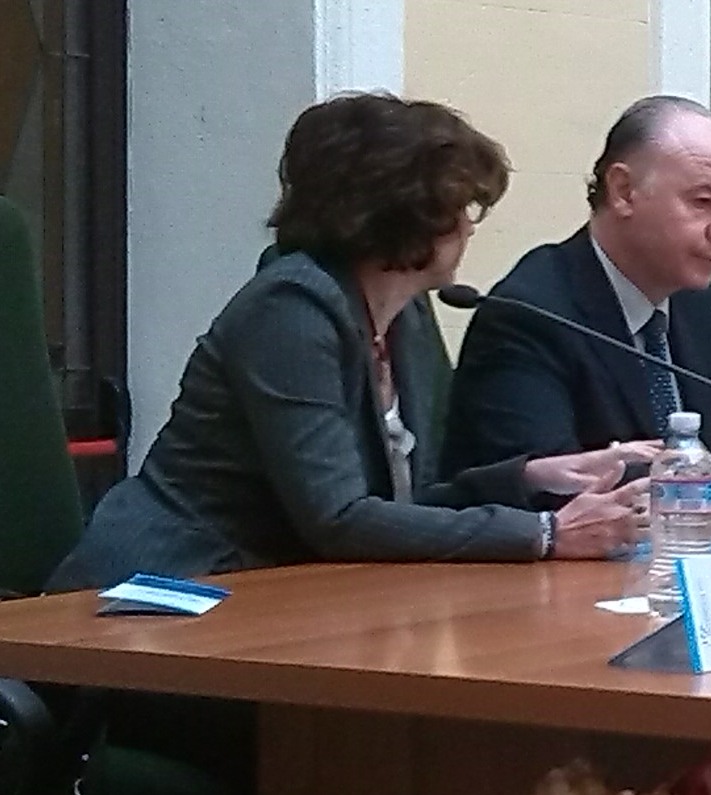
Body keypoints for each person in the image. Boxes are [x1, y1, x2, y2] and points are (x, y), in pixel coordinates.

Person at [52, 94, 649, 591]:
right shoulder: (290, 310)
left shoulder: (405, 314)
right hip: (165, 592)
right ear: (400, 214)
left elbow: (404, 506)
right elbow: (337, 519)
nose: (469, 227)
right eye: (456, 207)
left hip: (280, 596)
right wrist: (544, 535)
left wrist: (531, 479)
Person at [440, 95, 711, 522]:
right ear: (624, 191)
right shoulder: (531, 313)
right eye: (703, 201)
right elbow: (552, 494)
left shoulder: (698, 304)